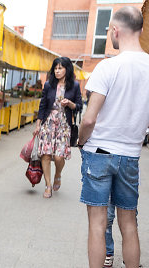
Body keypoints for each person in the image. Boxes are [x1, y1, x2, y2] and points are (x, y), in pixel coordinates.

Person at [78, 6, 149, 268]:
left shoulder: (107, 67)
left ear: (115, 30)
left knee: (97, 225)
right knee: (129, 224)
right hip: (130, 156)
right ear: (141, 30)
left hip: (98, 154)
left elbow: (89, 119)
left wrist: (81, 141)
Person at [33, 57, 82, 198]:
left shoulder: (75, 86)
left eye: (60, 68)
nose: (57, 71)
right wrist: (38, 125)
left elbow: (79, 105)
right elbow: (42, 106)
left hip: (63, 125)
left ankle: (58, 174)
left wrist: (70, 104)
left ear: (67, 69)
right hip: (48, 123)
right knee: (46, 155)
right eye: (55, 68)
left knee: (59, 157)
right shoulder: (48, 85)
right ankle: (48, 186)